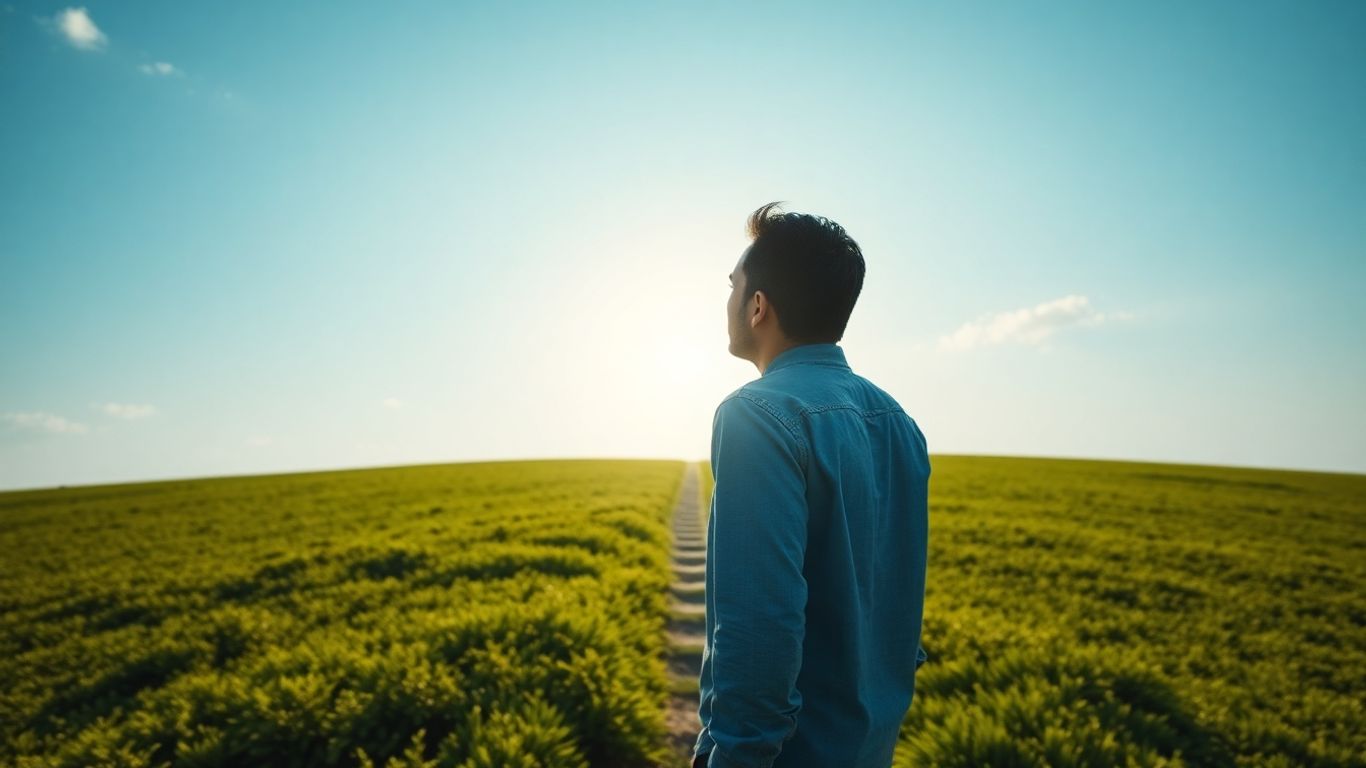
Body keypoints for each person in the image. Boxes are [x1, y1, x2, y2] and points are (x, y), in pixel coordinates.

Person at [692, 203, 931, 768]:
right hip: (870, 748)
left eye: (733, 286)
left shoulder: (758, 414)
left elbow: (759, 629)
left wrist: (736, 757)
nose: (727, 300)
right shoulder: (900, 422)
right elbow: (895, 600)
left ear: (757, 307)